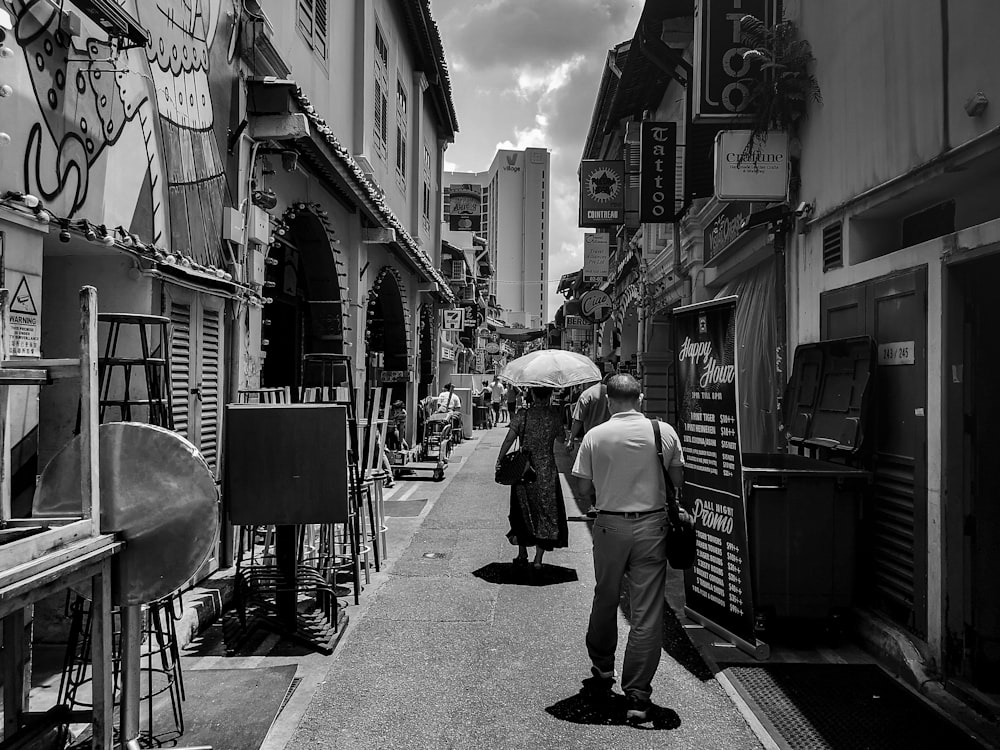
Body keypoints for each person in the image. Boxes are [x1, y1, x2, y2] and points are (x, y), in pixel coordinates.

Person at [571, 374, 684, 722]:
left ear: (608, 401)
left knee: (605, 596)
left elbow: (583, 487)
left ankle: (603, 669)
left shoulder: (595, 435)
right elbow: (677, 480)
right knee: (646, 611)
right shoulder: (662, 432)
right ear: (641, 397)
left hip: (608, 526)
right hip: (652, 526)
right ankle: (637, 696)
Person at [496, 386, 569, 569]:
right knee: (545, 511)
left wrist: (500, 459)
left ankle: (522, 553)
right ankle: (538, 559)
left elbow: (509, 439)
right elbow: (561, 439)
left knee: (523, 508)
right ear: (550, 395)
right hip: (547, 470)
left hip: (525, 469)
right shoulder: (554, 416)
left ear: (533, 394)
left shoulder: (523, 414)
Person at [568, 372, 614, 449]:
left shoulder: (586, 395)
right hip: (611, 439)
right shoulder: (612, 392)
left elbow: (578, 420)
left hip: (592, 440)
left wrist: (571, 439)